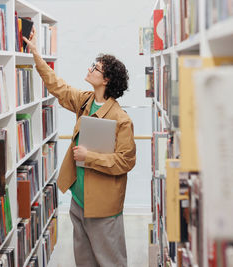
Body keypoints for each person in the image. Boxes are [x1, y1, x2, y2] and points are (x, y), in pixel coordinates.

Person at [24, 29, 136, 267]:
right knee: (84, 261)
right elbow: (58, 87)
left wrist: (90, 157)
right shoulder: (85, 100)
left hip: (103, 206)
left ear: (106, 80)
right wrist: (36, 54)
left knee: (110, 261)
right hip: (79, 198)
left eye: (95, 68)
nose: (90, 69)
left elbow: (126, 161)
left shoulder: (121, 119)